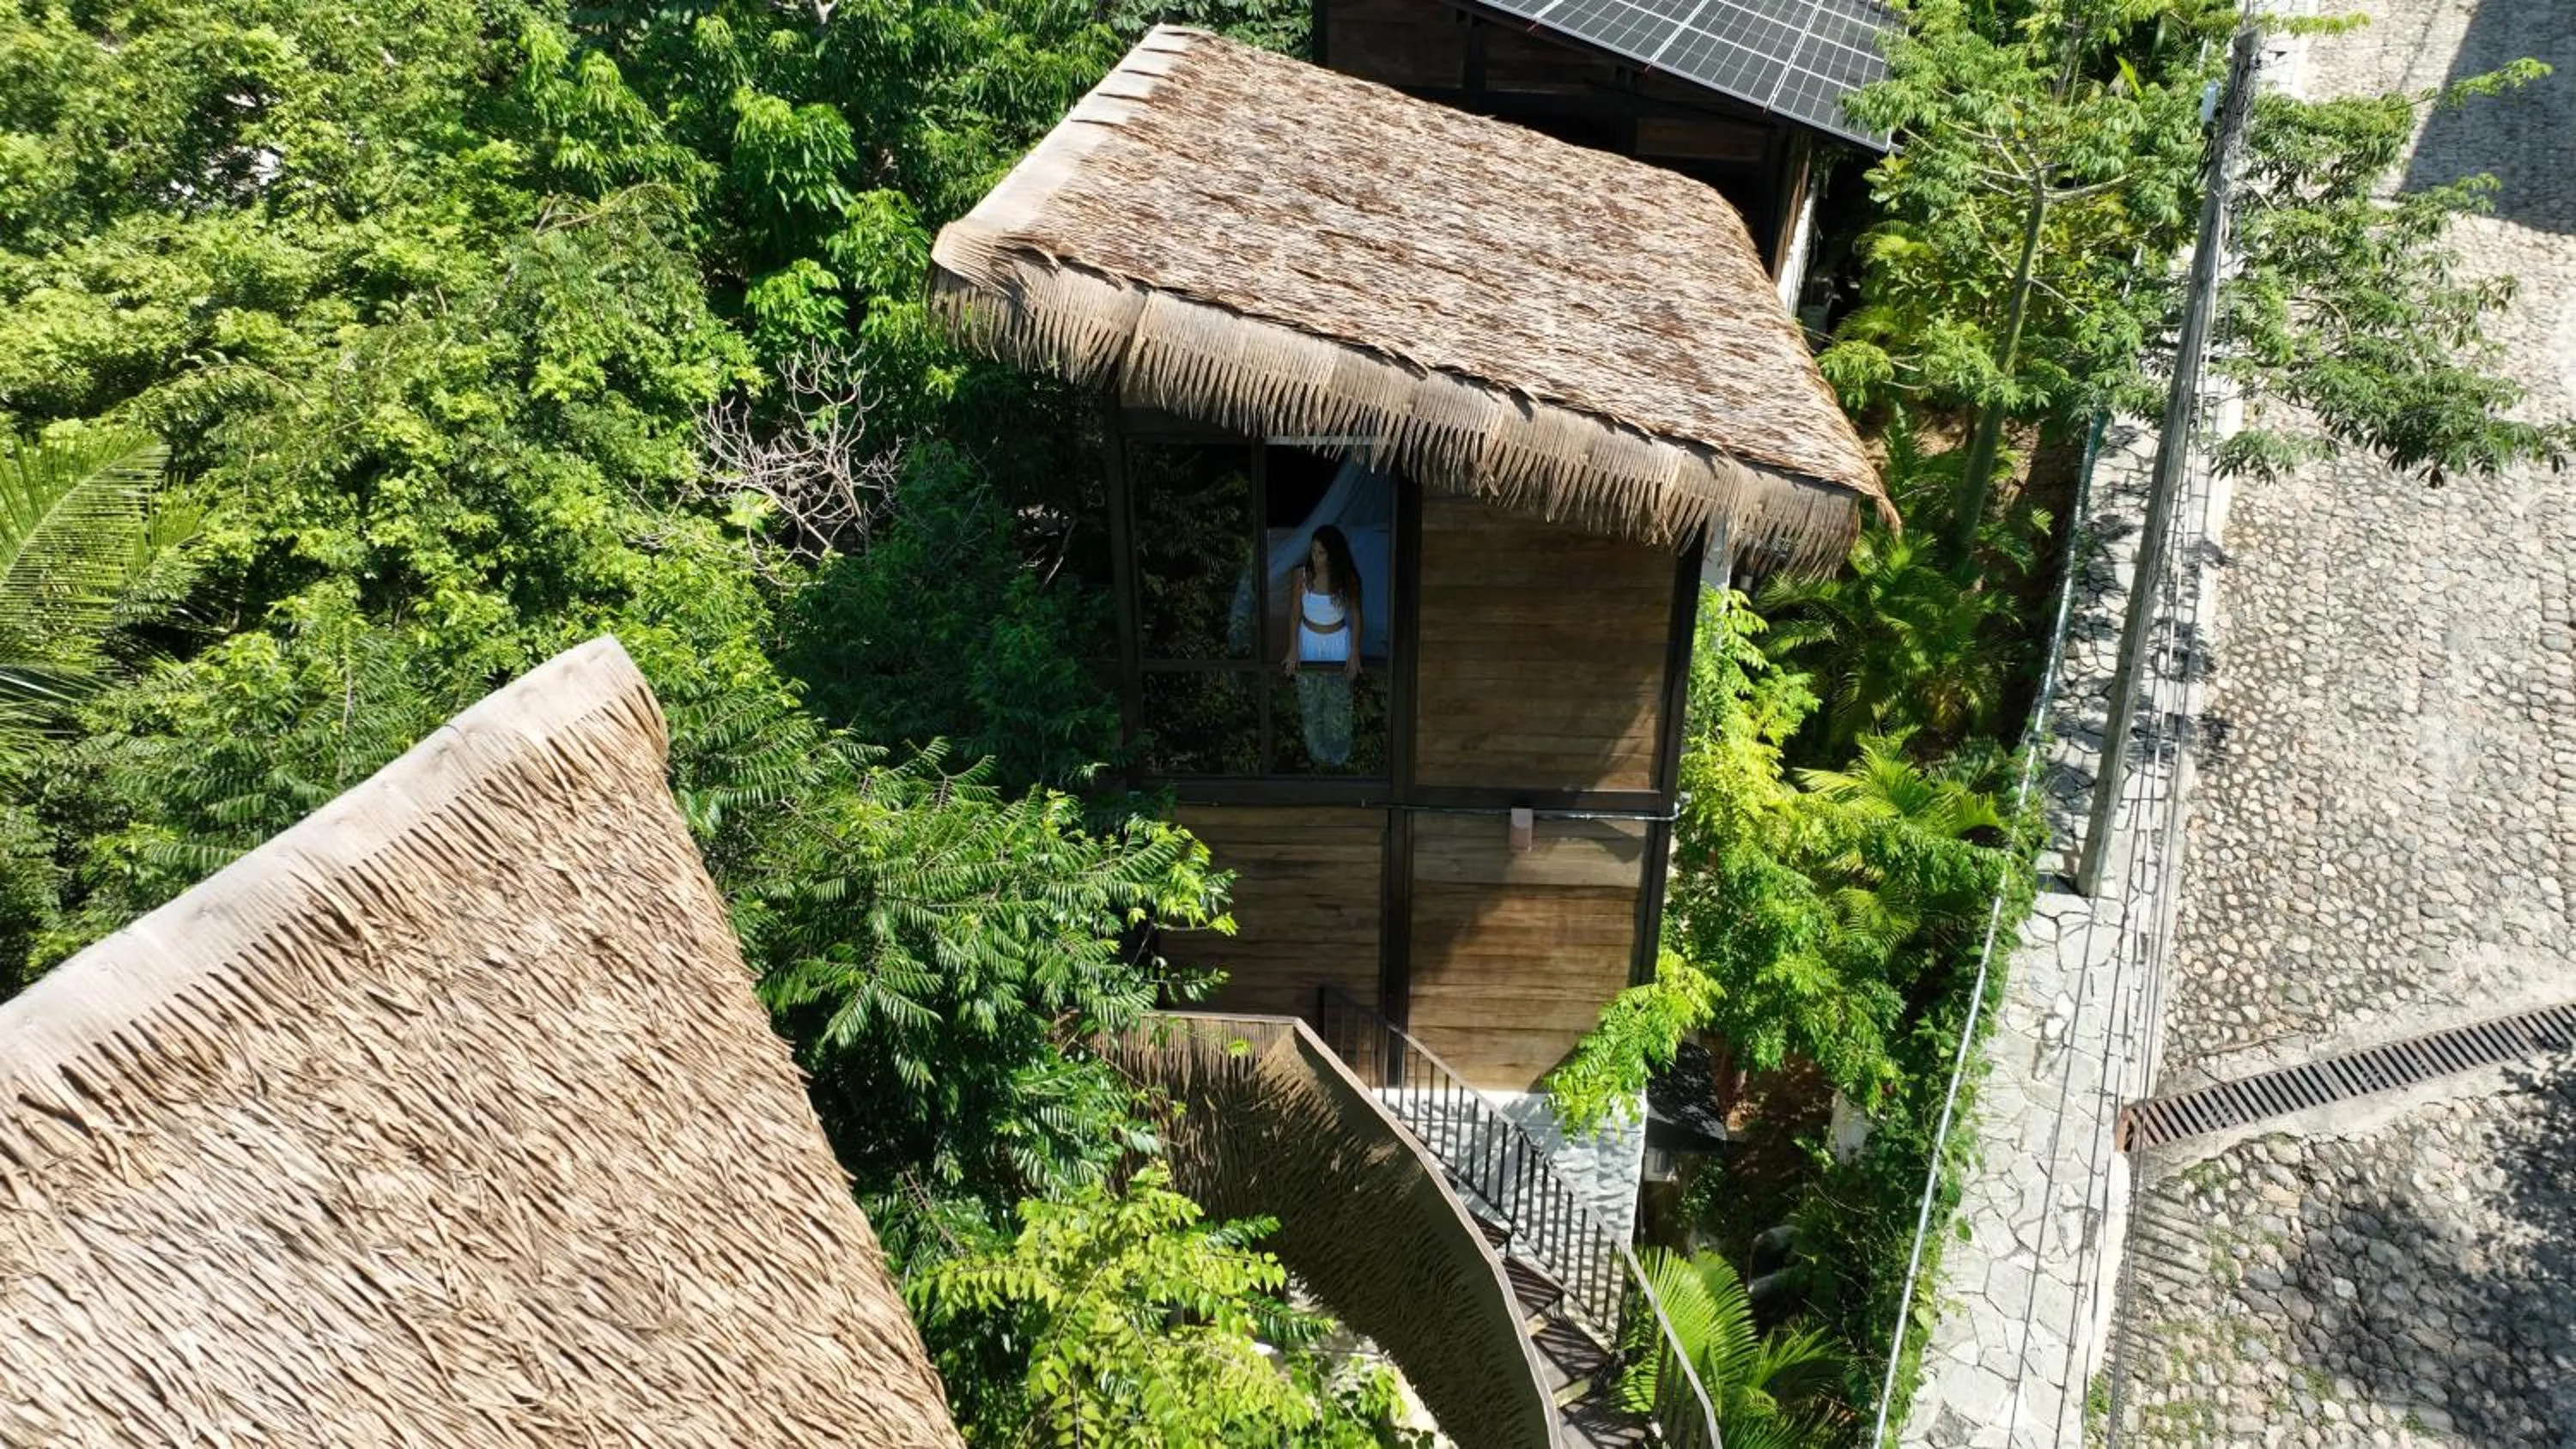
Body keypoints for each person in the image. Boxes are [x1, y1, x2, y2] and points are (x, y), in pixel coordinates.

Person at [1279, 524, 1364, 767]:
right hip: (1309, 638)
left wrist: (1355, 649)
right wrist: (1293, 647)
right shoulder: (1302, 576)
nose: (1315, 557)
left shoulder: (1347, 578)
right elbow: (1294, 614)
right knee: (1310, 698)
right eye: (1313, 551)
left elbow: (1357, 614)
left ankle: (1339, 758)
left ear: (1333, 554)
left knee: (1338, 698)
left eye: (1321, 553)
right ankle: (1316, 757)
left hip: (1337, 640)